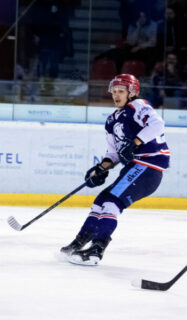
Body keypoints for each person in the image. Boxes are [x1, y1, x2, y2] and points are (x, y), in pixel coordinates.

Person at [59, 74, 169, 265]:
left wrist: (135, 142)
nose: (116, 95)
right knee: (101, 200)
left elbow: (158, 124)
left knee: (111, 201)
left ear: (132, 93)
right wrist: (100, 168)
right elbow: (114, 153)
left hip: (149, 166)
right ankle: (79, 242)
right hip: (137, 167)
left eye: (121, 91)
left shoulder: (138, 106)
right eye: (114, 91)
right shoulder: (112, 120)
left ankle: (96, 249)